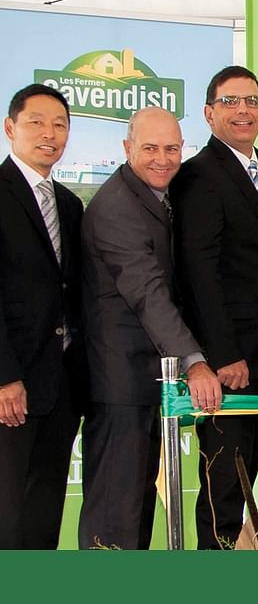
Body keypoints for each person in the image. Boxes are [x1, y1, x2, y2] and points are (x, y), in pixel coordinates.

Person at [77, 107, 223, 549]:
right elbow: (149, 294)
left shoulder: (155, 196)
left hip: (143, 384)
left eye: (173, 149)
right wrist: (196, 363)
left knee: (136, 515)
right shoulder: (117, 206)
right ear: (126, 149)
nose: (163, 159)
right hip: (120, 384)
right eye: (150, 149)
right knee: (114, 520)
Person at [171, 66, 258, 549]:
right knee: (222, 494)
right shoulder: (200, 175)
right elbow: (198, 273)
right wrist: (222, 356)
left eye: (252, 100)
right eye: (230, 102)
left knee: (240, 489)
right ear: (208, 113)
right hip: (230, 368)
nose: (243, 110)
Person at [0, 84, 85, 549]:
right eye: (36, 122)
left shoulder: (70, 206)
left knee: (44, 513)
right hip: (11, 387)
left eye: (60, 125)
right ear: (11, 127)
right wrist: (5, 378)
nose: (49, 134)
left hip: (60, 387)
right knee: (7, 514)